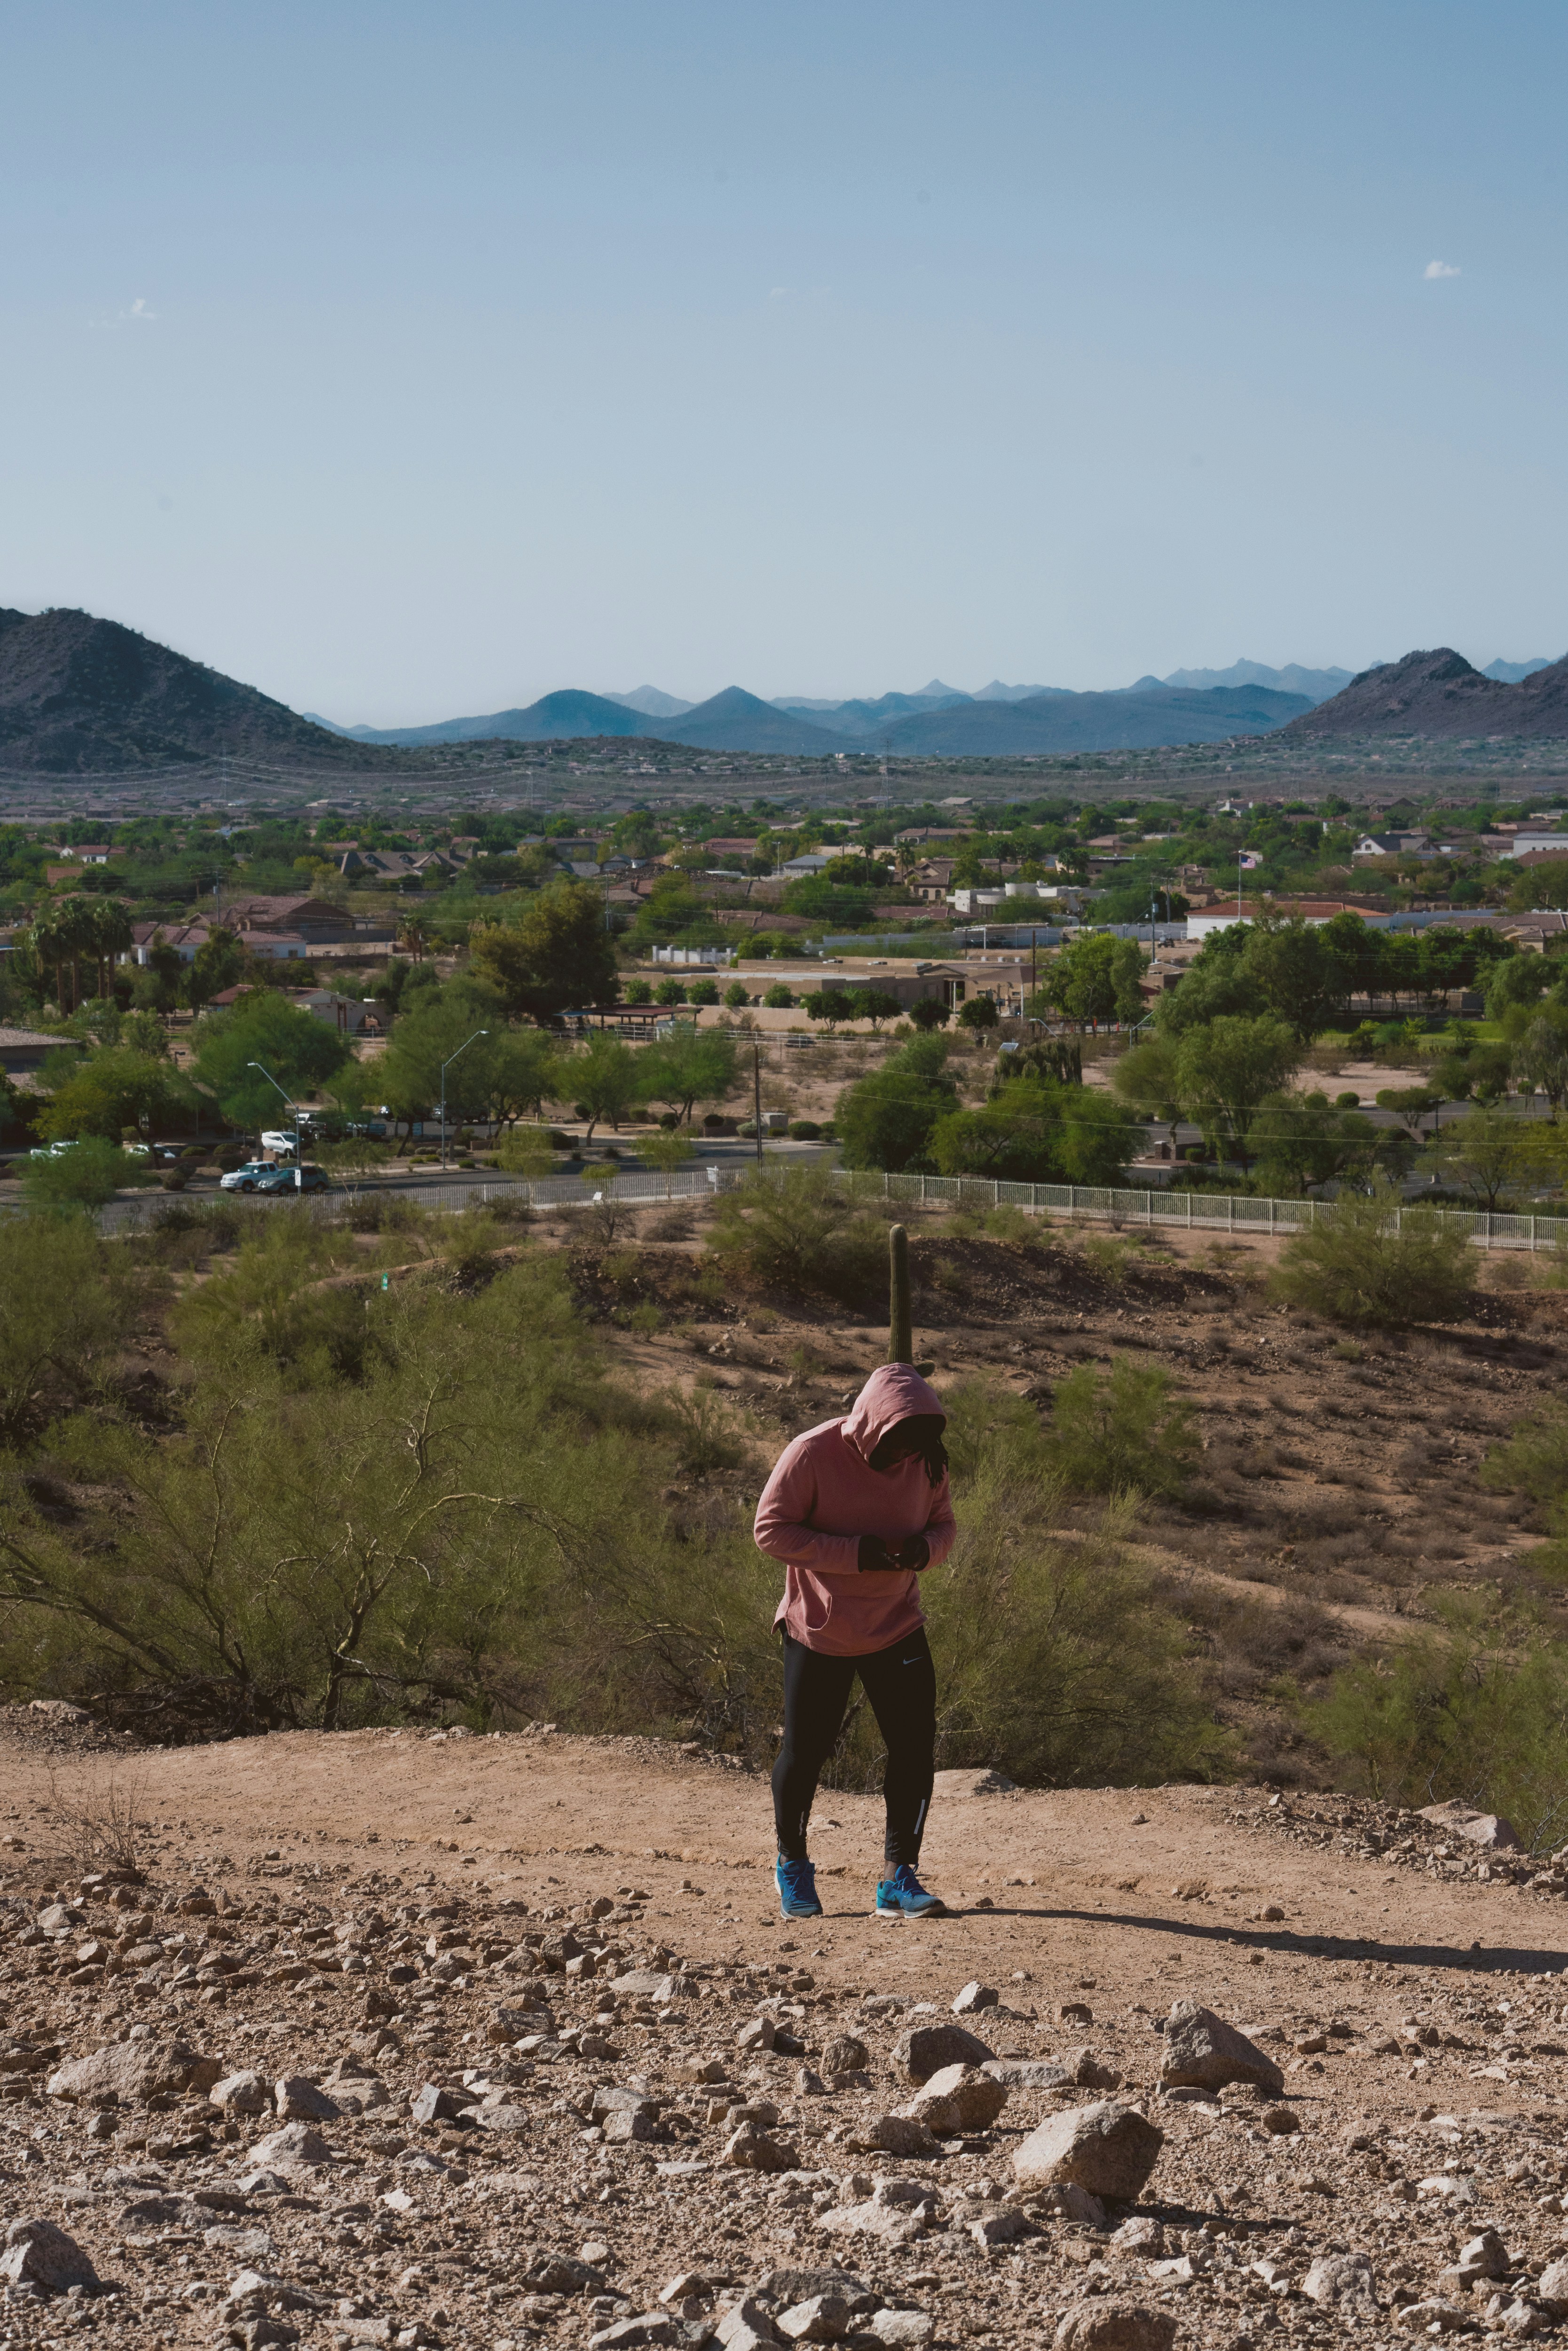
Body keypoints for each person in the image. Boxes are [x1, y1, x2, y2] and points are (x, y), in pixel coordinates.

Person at [753, 1363, 955, 1922]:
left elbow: (943, 1524)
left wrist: (924, 1552)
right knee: (805, 1752)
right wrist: (856, 1554)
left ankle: (898, 1878)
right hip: (820, 1629)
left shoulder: (927, 1459)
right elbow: (769, 1529)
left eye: (916, 1445)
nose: (904, 1457)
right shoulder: (811, 1453)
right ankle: (791, 1864)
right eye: (896, 1445)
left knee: (913, 1749)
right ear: (871, 1425)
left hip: (896, 1624)